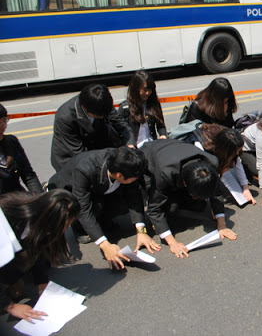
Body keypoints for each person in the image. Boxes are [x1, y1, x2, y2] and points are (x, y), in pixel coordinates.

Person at [47, 147, 157, 270]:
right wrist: (105, 245)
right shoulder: (85, 169)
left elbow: (133, 195)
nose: (138, 179)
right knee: (87, 210)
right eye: (136, 178)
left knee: (126, 200)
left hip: (101, 189)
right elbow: (83, 209)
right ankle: (80, 228)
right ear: (119, 175)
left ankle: (102, 220)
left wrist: (141, 231)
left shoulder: (122, 163)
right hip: (68, 191)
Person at [141, 139, 237, 259]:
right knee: (169, 210)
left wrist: (222, 225)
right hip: (151, 157)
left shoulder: (211, 165)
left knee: (199, 205)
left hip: (177, 153)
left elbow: (216, 192)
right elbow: (154, 209)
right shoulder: (164, 173)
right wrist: (172, 243)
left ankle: (180, 200)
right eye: (194, 194)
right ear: (185, 183)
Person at [0, 189, 79, 322]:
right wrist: (10, 306)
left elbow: (40, 250)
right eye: (65, 225)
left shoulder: (42, 222)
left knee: (17, 289)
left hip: (13, 252)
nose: (66, 229)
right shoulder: (8, 217)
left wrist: (41, 283)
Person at [50, 84, 134, 172]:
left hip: (97, 146)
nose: (103, 117)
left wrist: (130, 144)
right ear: (85, 108)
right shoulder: (65, 117)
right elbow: (79, 154)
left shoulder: (103, 101)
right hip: (71, 158)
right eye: (99, 116)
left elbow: (121, 124)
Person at [188, 123, 255, 205]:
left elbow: (237, 163)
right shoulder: (201, 148)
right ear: (225, 150)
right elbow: (202, 174)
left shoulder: (230, 137)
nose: (238, 153)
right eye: (235, 151)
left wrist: (245, 188)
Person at [0, 104, 42, 195]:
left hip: (16, 198)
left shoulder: (12, 142)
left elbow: (29, 176)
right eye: (0, 122)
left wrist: (40, 199)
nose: (3, 125)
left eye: (5, 120)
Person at [118, 70, 167, 148]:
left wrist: (163, 135)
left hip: (151, 145)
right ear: (135, 88)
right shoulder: (125, 108)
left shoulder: (154, 104)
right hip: (134, 149)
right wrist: (129, 143)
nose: (147, 93)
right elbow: (120, 130)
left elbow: (160, 124)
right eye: (144, 90)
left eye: (149, 89)